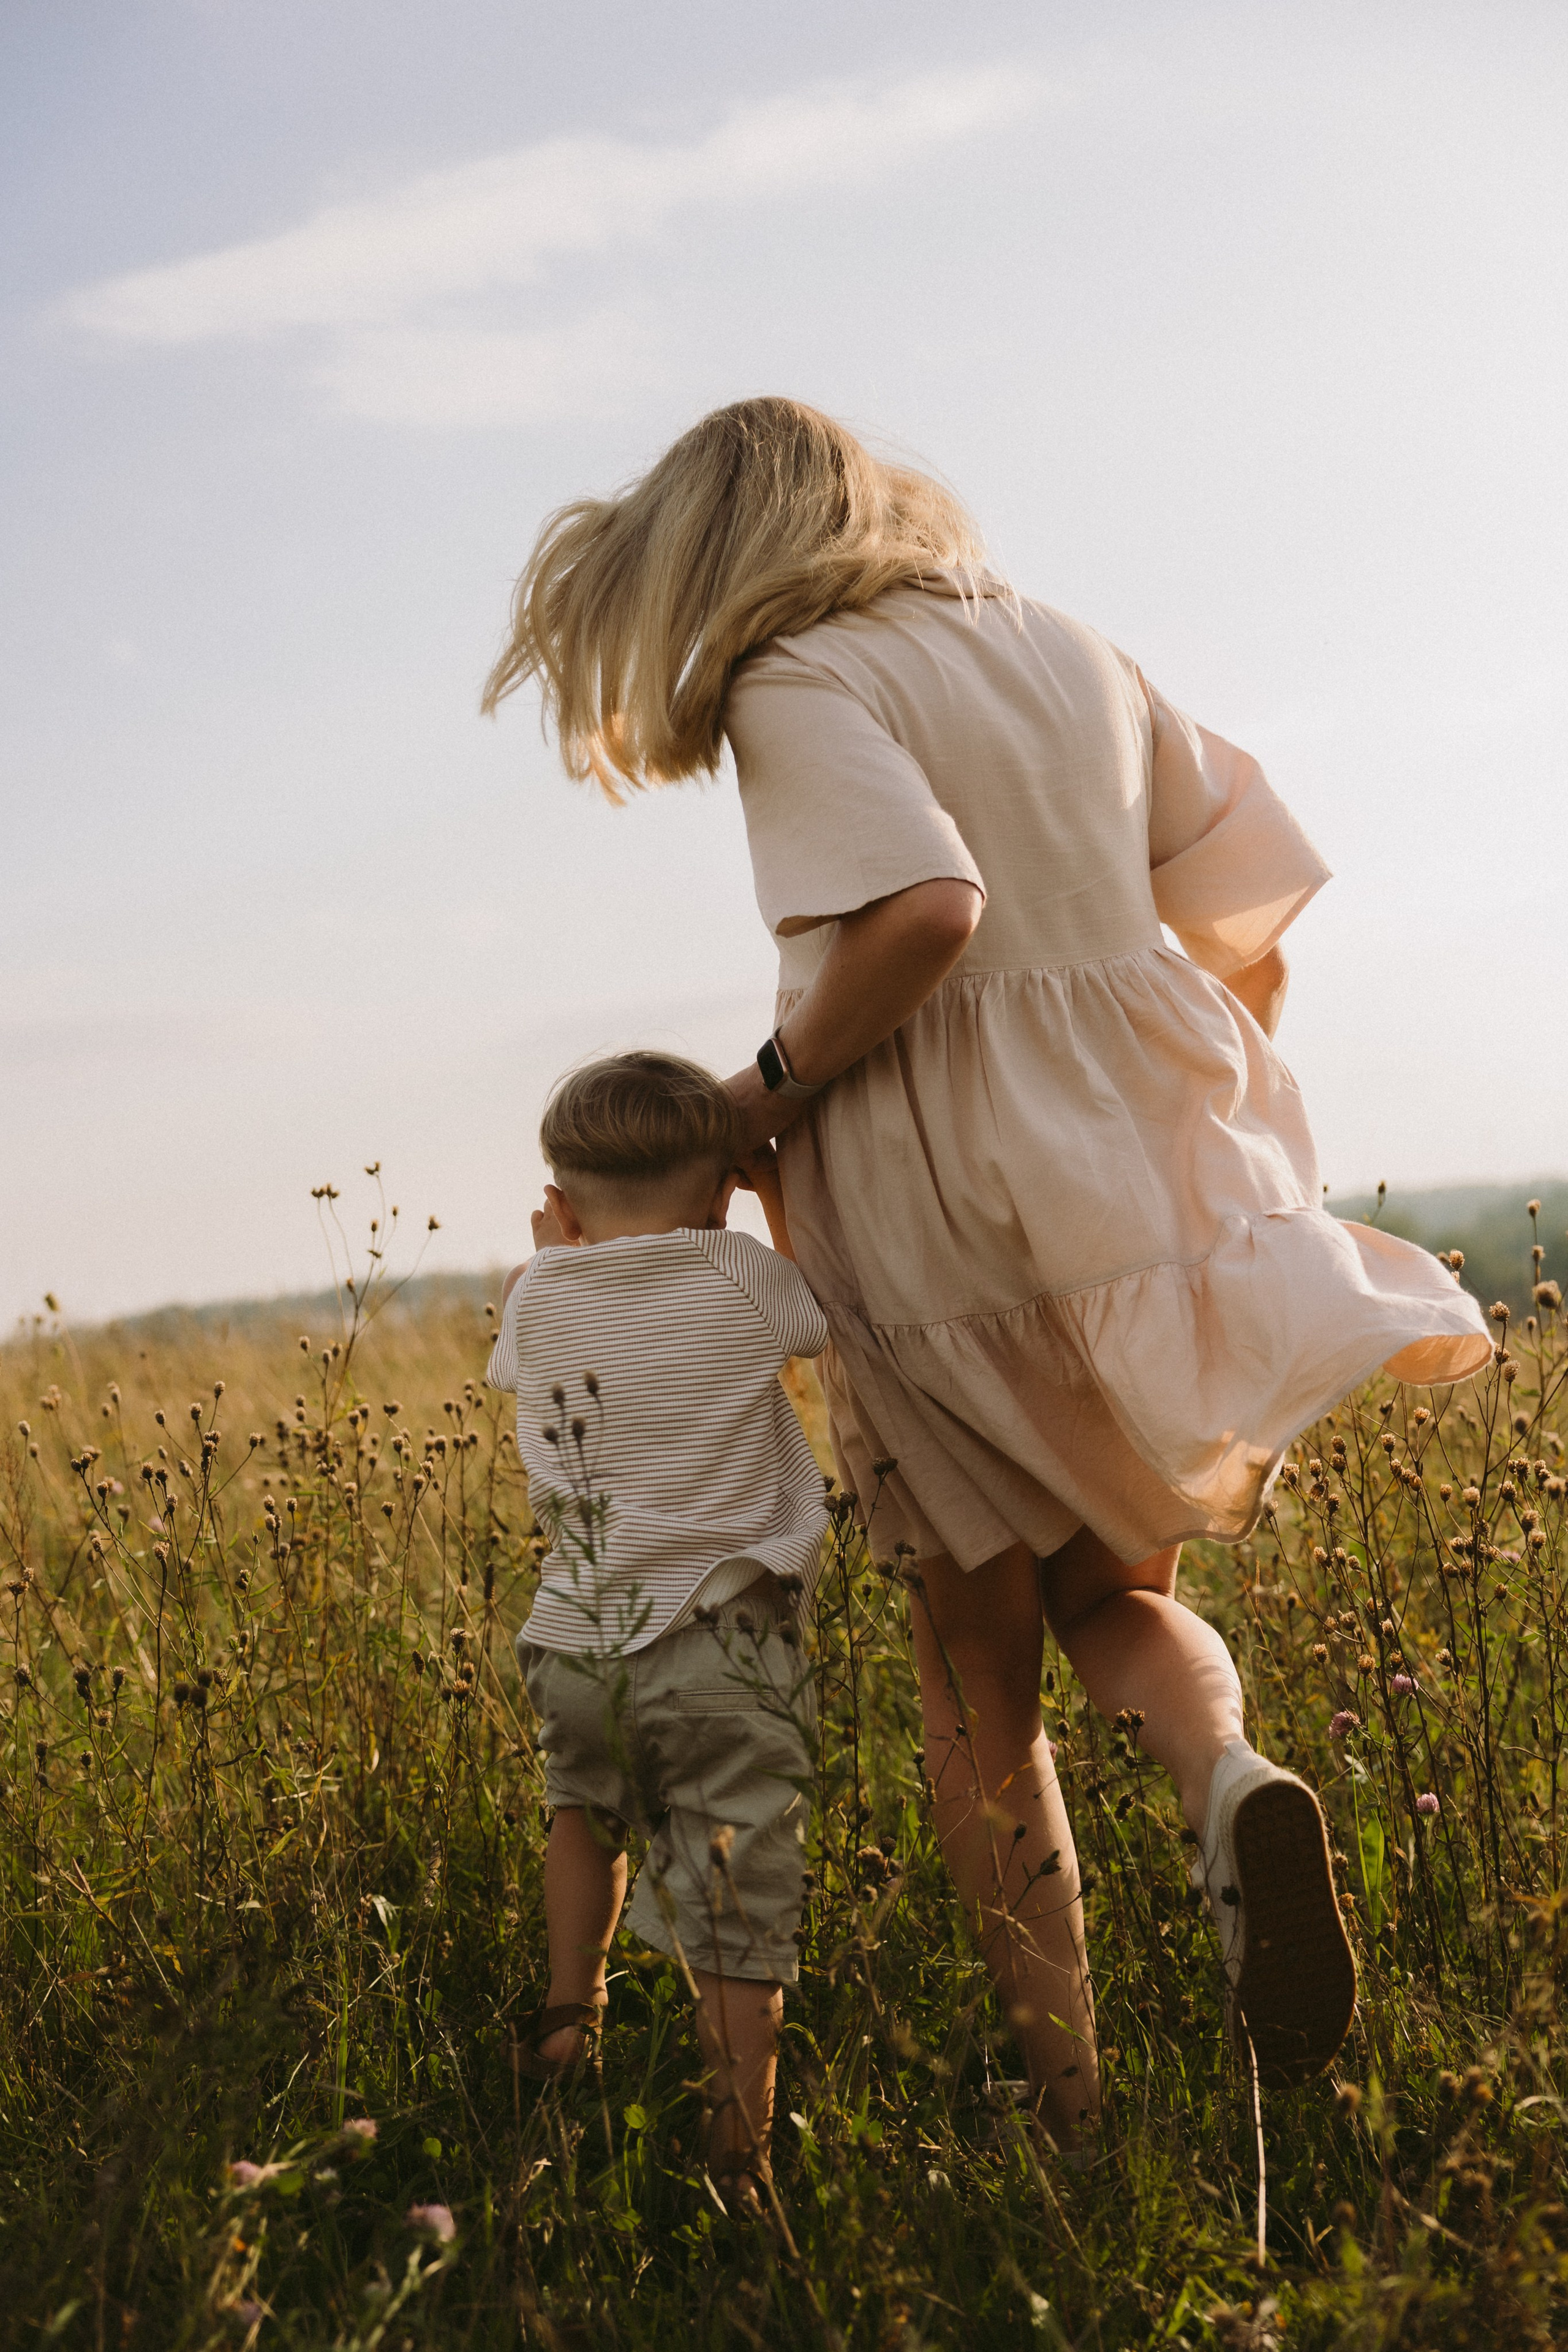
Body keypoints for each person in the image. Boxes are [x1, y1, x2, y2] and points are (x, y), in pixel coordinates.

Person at [481, 398, 1492, 2148]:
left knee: (978, 1676)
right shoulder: (1061, 644)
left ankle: (1074, 2113)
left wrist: (762, 1099)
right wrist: (1158, 1107)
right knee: (1121, 1593)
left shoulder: (803, 675)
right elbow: (1250, 891)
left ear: (711, 560)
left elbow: (925, 912)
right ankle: (1224, 1775)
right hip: (1122, 1189)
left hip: (936, 1210)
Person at [488, 1050, 829, 2209]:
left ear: (566, 1201)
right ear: (722, 1188)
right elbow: (820, 1315)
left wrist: (560, 1256)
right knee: (737, 1898)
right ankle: (742, 2162)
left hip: (576, 1640)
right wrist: (774, 1194)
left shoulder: (539, 1289)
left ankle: (566, 2025)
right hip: (721, 1641)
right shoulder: (739, 1273)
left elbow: (536, 1349)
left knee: (583, 1812)